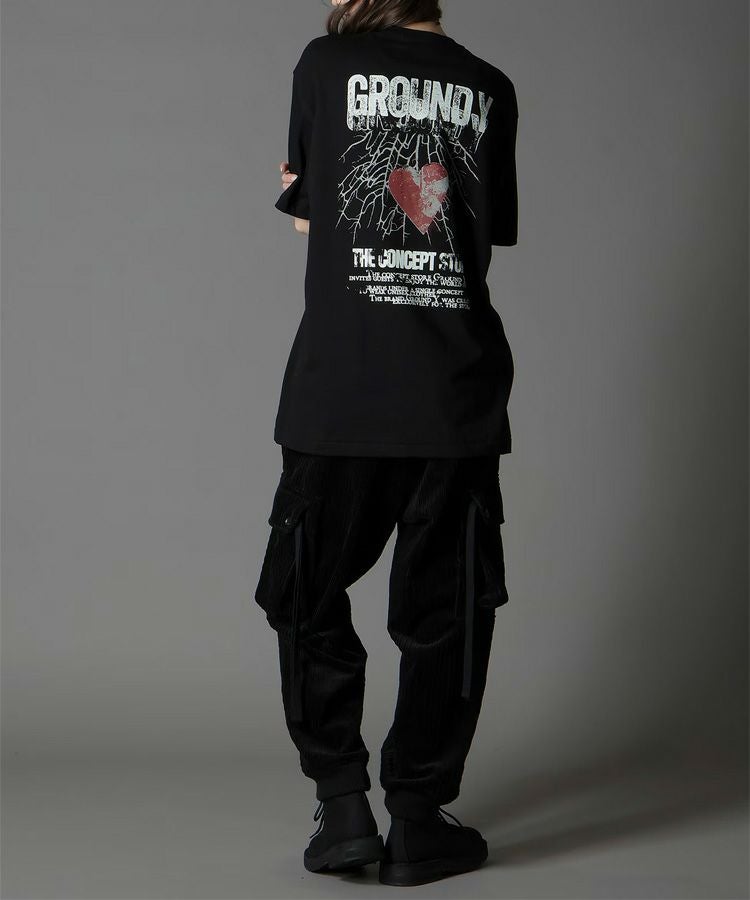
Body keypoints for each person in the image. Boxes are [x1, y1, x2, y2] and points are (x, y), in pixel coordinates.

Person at [254, 0, 518, 886]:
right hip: (454, 392)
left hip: (342, 390)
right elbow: (471, 233)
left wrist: (309, 194)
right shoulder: (492, 87)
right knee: (449, 613)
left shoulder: (324, 66)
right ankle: (417, 818)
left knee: (304, 593)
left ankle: (343, 809)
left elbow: (313, 219)